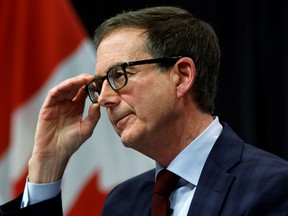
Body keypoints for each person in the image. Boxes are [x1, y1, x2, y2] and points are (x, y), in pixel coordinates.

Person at [1, 5, 288, 216]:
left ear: (182, 76)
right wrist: (46, 165)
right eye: (100, 84)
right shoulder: (122, 202)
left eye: (118, 75)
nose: (103, 99)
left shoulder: (272, 186)